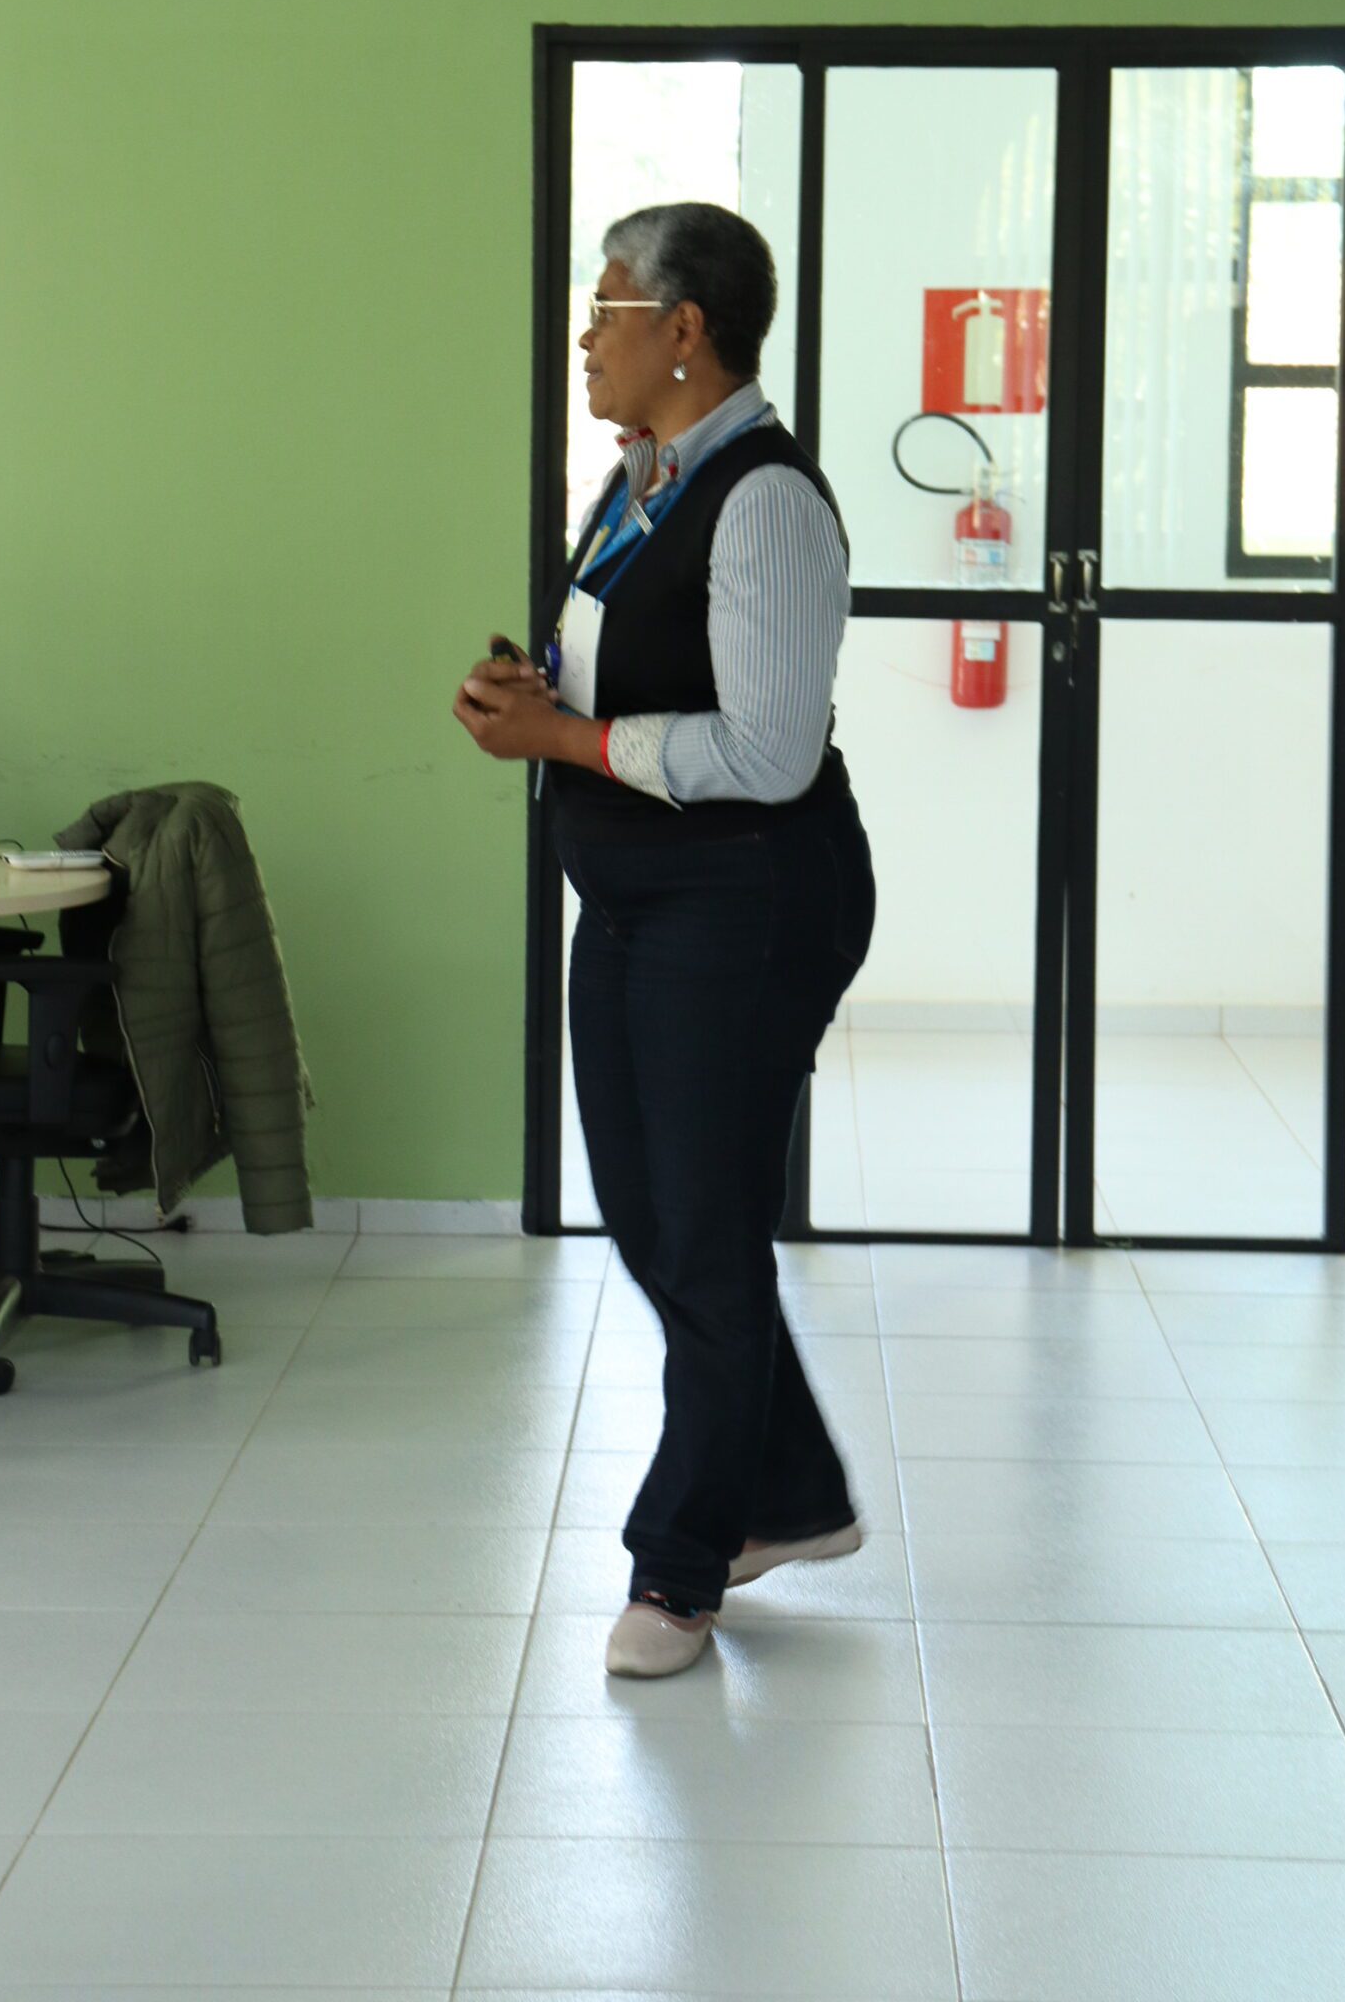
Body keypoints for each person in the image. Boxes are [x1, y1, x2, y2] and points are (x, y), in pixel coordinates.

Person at [455, 201, 876, 1680]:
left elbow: (766, 750)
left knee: (700, 1227)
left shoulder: (764, 501)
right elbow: (617, 666)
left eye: (608, 307)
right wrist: (534, 695)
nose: (587, 335)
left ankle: (681, 1567)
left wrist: (564, 739)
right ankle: (793, 1490)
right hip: (635, 893)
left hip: (747, 898)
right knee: (648, 1215)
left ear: (683, 331)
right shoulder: (635, 481)